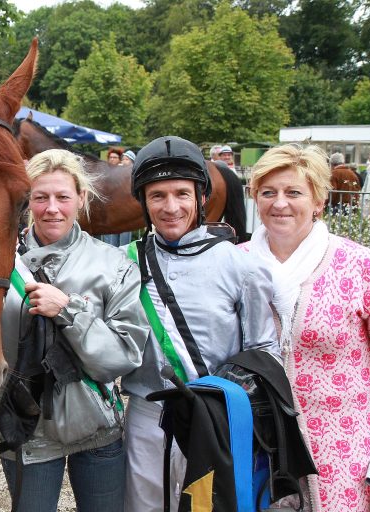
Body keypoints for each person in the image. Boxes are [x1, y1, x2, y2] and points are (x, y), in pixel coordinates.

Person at [122, 135, 279, 512]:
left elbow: (263, 351)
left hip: (214, 419)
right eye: (157, 195)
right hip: (147, 416)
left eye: (181, 193)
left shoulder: (241, 266)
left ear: (201, 197)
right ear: (143, 202)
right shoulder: (123, 263)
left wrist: (223, 401)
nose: (170, 206)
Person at [0, 148, 148, 511]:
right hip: (25, 431)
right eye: (41, 197)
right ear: (27, 200)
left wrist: (68, 310)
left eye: (63, 197)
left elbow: (123, 356)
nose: (52, 209)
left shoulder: (113, 264)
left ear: (81, 197)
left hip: (97, 429)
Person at [242, 144, 370, 511]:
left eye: (293, 192)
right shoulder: (234, 264)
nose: (279, 203)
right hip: (254, 441)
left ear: (318, 201)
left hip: (341, 445)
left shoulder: (361, 266)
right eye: (268, 193)